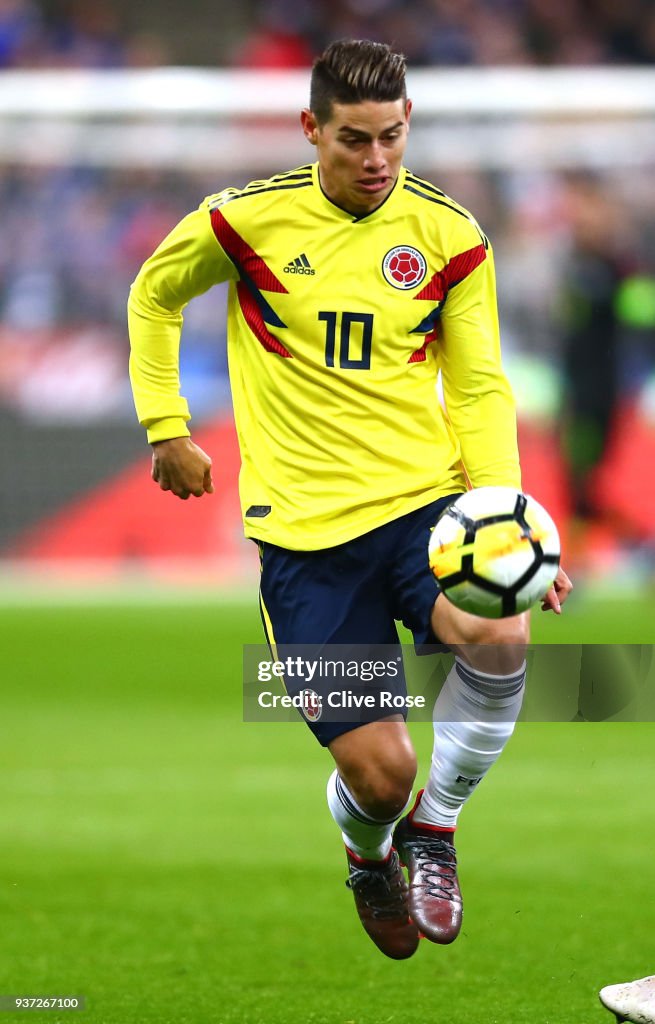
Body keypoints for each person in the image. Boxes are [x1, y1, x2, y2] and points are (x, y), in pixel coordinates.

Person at [128, 38, 572, 960]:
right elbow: (152, 296)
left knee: (500, 635)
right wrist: (166, 425)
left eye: (393, 140)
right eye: (355, 140)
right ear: (310, 130)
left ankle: (436, 832)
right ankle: (370, 850)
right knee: (378, 773)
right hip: (305, 543)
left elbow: (482, 386)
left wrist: (502, 522)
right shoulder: (241, 223)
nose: (376, 161)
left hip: (426, 511)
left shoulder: (448, 236)